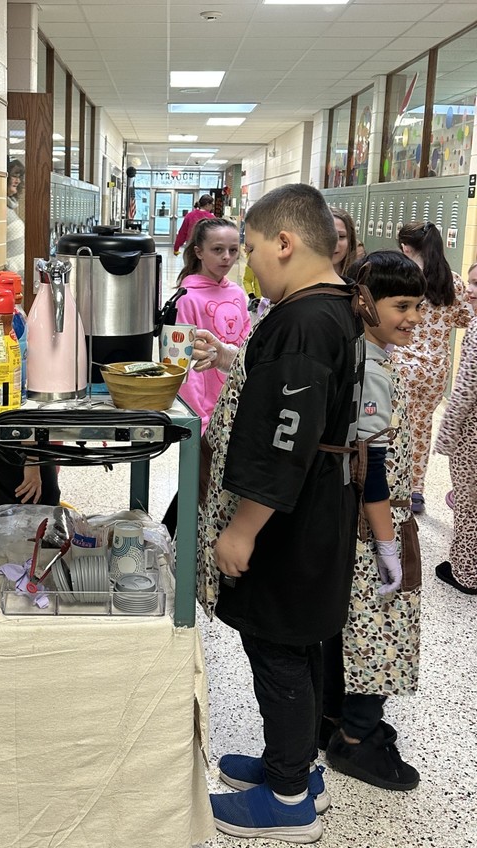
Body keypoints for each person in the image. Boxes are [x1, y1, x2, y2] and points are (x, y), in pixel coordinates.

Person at [198, 184, 366, 843]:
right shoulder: (333, 309)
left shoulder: (302, 323)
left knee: (279, 647)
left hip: (291, 518)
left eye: (253, 251)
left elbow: (284, 438)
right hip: (320, 503)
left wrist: (242, 530)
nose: (249, 267)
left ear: (286, 243)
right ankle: (292, 766)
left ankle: (289, 799)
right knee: (301, 643)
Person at [322, 250, 425, 792]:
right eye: (401, 305)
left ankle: (337, 719)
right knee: (381, 634)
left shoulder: (365, 350)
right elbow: (374, 471)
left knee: (351, 630)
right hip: (373, 525)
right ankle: (358, 740)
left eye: (419, 305)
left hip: (360, 523)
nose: (413, 317)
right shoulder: (372, 367)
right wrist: (388, 545)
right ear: (365, 302)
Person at [393, 221, 472, 512]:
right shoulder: (452, 281)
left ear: (406, 247)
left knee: (397, 425)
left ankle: (394, 484)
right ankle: (416, 491)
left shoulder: (405, 278)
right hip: (436, 369)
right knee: (423, 426)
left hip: (403, 364)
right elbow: (465, 318)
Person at [174, 218, 250, 431]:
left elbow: (245, 346)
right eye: (217, 249)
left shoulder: (236, 292)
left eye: (233, 250)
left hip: (235, 401)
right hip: (202, 411)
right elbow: (184, 361)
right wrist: (196, 415)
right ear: (199, 252)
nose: (227, 257)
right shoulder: (187, 298)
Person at [433, 260, 477, 594]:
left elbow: (464, 389)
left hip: (472, 437)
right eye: (471, 283)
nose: (471, 292)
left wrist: (446, 436)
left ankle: (466, 572)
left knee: (468, 504)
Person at [5, 158, 25, 278]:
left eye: (19, 177)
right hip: (10, 276)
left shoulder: (10, 206)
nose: (18, 181)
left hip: (18, 277)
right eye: (14, 176)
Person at [331, 206, 358, 277]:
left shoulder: (360, 278)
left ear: (350, 241)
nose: (333, 243)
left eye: (341, 236)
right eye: (326, 237)